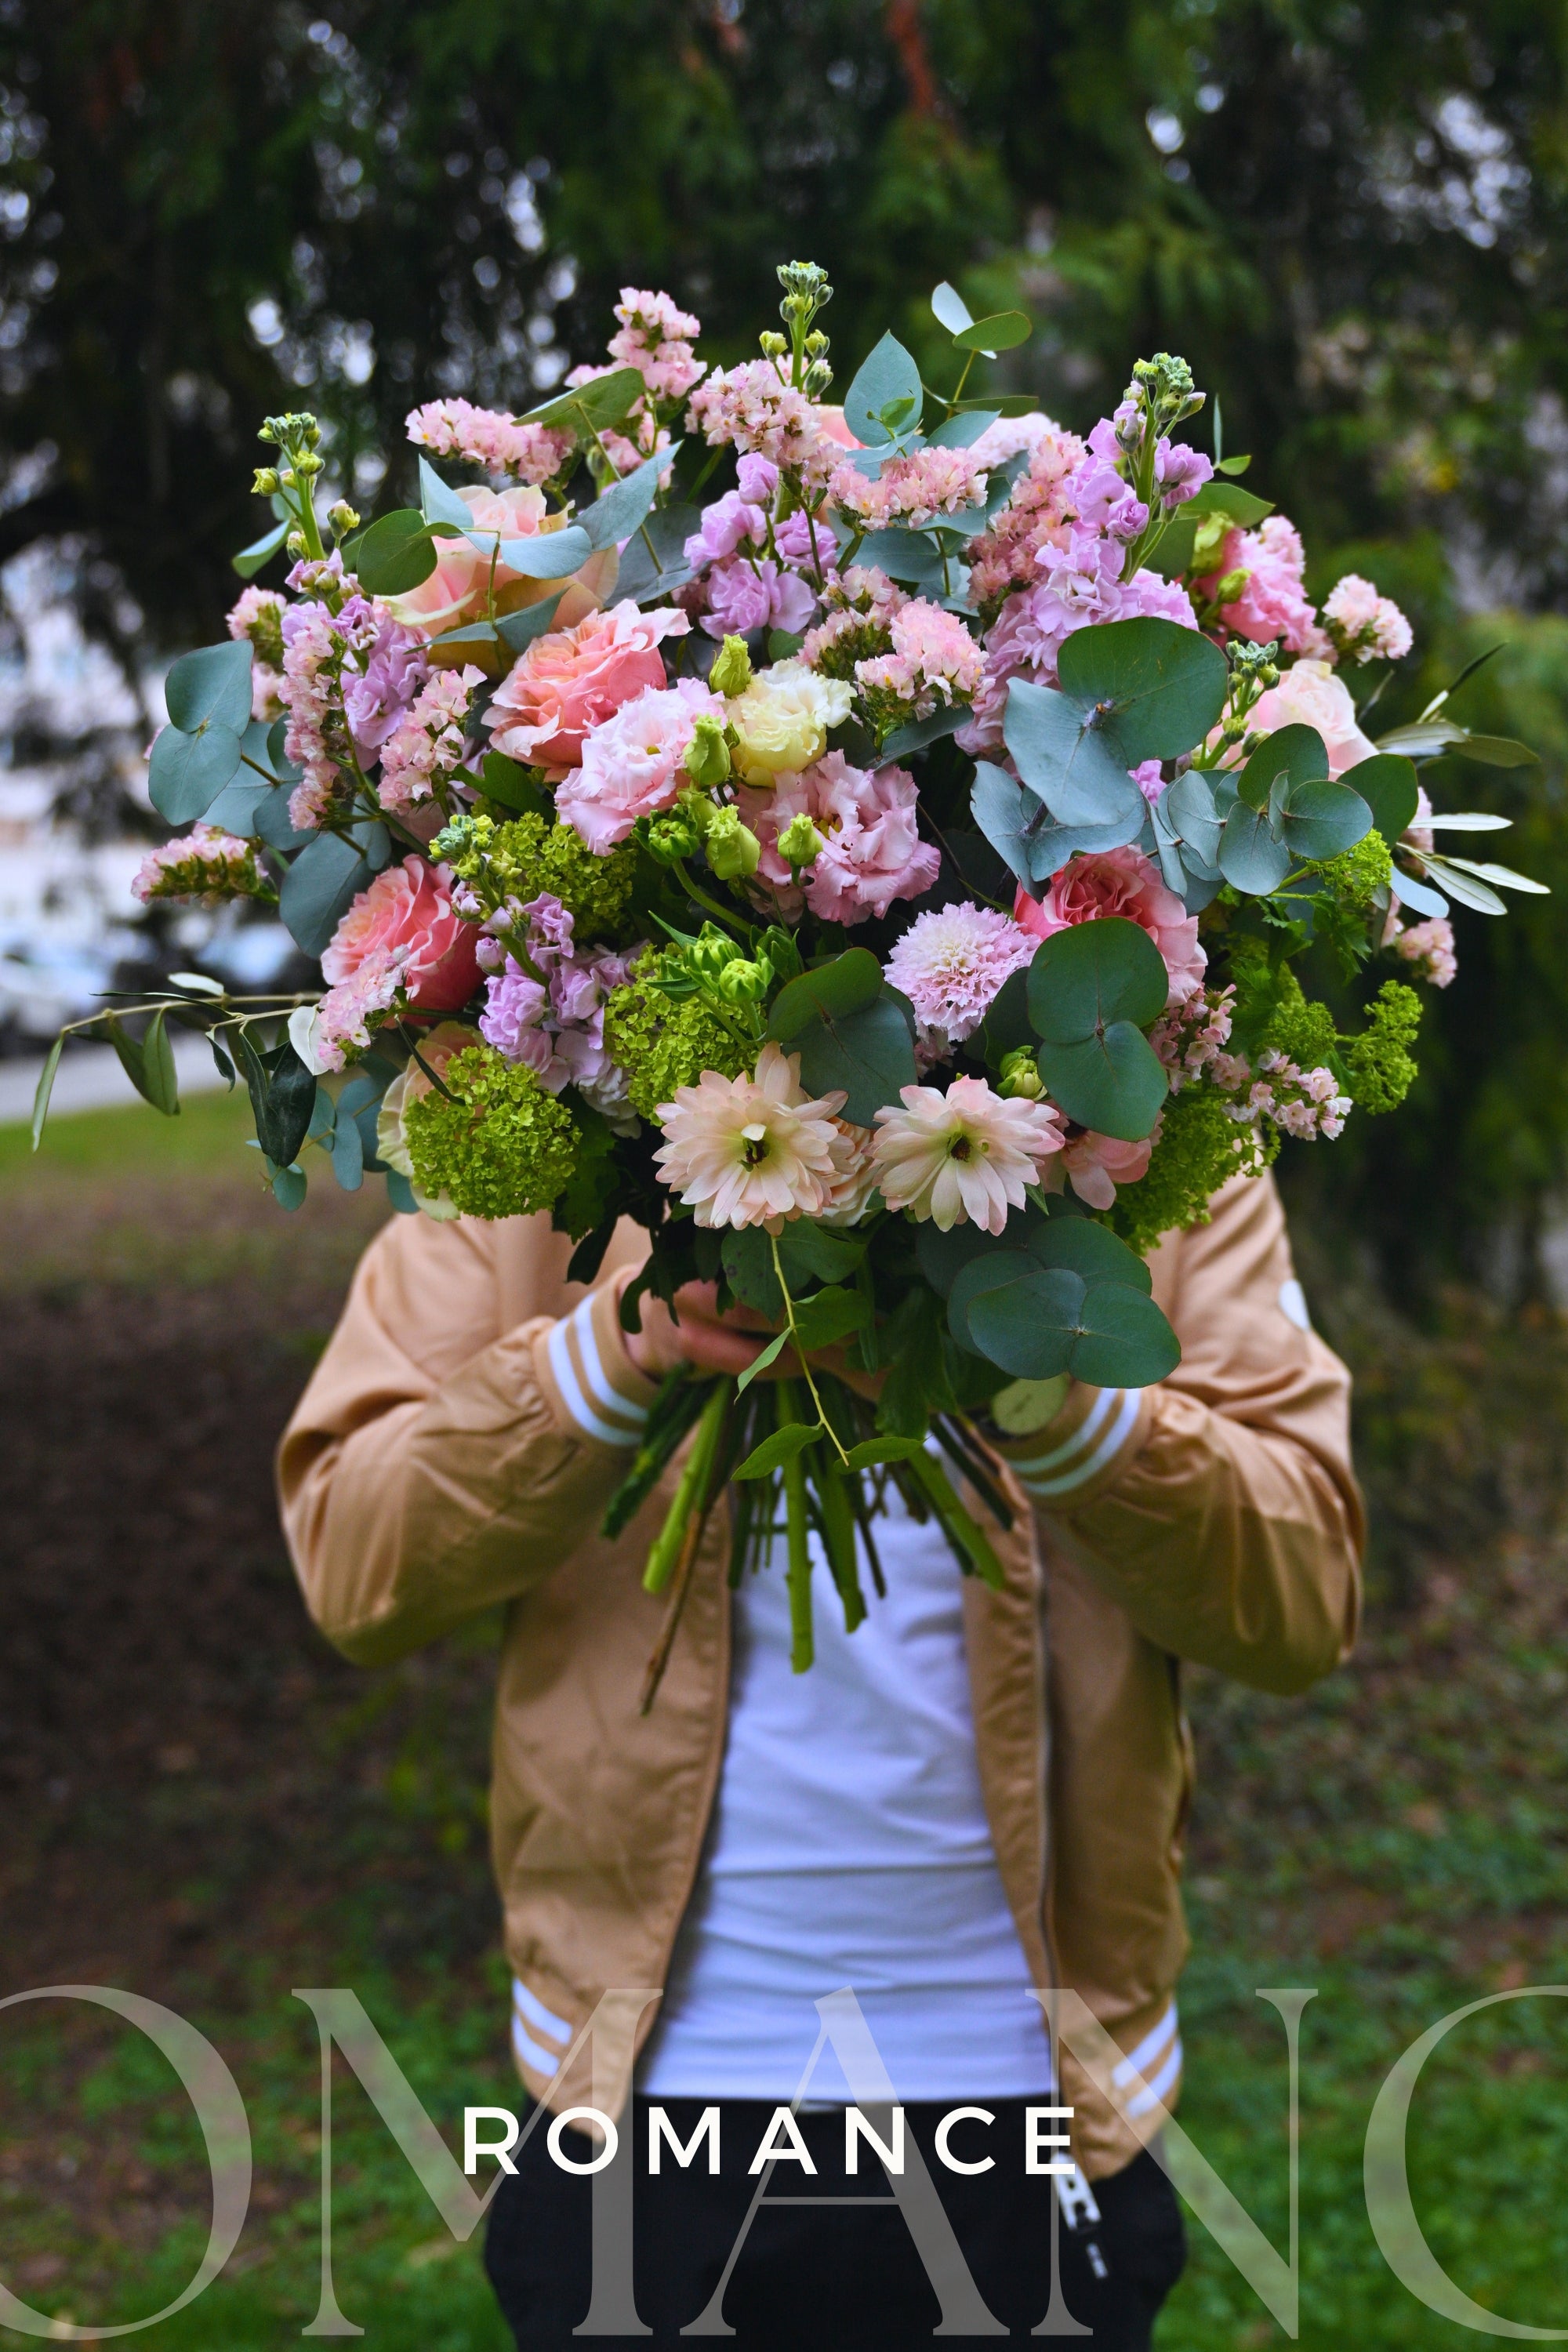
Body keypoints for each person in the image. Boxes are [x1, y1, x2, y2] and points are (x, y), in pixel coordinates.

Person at [278, 1165, 1362, 2349]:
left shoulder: (1159, 1148)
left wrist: (1044, 1386)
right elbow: (356, 1561)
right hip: (643, 2103)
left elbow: (1300, 1600)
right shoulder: (520, 1147)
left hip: (1029, 2092)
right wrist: (616, 1352)